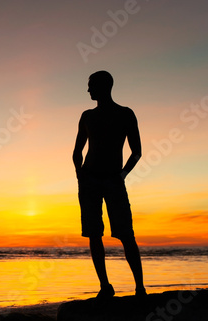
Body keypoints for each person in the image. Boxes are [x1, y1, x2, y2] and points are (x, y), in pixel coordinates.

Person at [73, 70, 146, 300]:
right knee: (94, 234)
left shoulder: (125, 114)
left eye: (91, 85)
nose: (88, 90)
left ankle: (140, 288)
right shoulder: (87, 116)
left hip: (114, 180)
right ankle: (105, 286)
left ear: (104, 86)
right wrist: (79, 175)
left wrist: (123, 174)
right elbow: (77, 152)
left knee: (126, 233)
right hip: (89, 180)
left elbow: (137, 152)